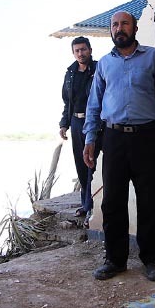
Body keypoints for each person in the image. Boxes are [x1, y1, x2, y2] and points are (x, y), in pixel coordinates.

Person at [82, 11, 155, 282]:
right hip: (112, 139)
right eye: (115, 25)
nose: (119, 28)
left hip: (145, 137)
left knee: (148, 200)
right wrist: (90, 139)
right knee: (112, 201)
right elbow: (94, 105)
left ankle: (151, 259)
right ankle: (115, 260)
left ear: (135, 28)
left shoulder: (153, 57)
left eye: (124, 23)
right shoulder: (105, 64)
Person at [59, 36, 97, 218]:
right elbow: (68, 101)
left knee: (92, 164)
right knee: (80, 164)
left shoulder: (98, 69)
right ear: (73, 53)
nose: (81, 53)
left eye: (83, 49)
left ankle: (92, 205)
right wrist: (64, 124)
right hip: (76, 122)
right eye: (77, 51)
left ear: (90, 50)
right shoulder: (70, 73)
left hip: (95, 123)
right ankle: (85, 204)